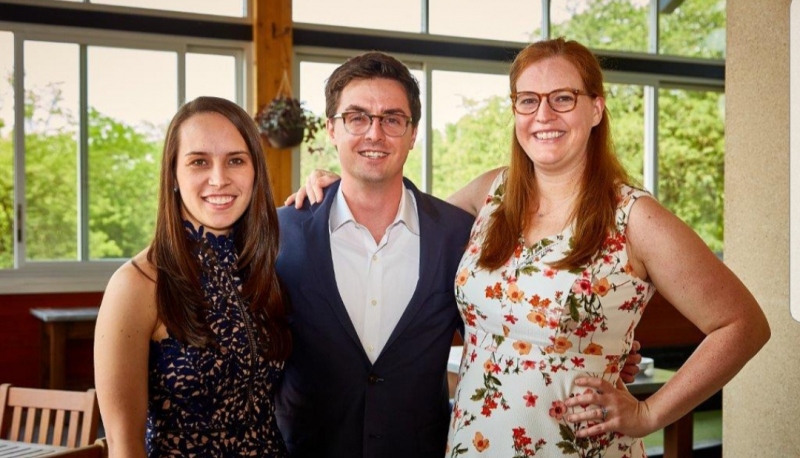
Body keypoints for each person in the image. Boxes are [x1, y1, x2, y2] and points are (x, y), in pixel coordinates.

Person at [277, 51, 642, 458]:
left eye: (392, 119)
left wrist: (603, 345)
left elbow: (508, 316)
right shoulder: (282, 232)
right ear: (332, 128)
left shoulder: (453, 234)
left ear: (413, 133)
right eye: (356, 118)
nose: (374, 134)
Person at [439, 38, 770, 456]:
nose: (543, 115)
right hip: (475, 443)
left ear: (595, 108)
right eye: (528, 100)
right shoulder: (490, 192)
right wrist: (332, 189)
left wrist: (649, 414)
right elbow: (404, 225)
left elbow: (743, 324)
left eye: (563, 98)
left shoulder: (635, 218)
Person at [94, 96, 291, 457]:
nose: (219, 179)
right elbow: (124, 446)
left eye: (235, 160)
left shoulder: (265, 271)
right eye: (199, 161)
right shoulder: (137, 284)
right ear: (173, 174)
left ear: (254, 171)